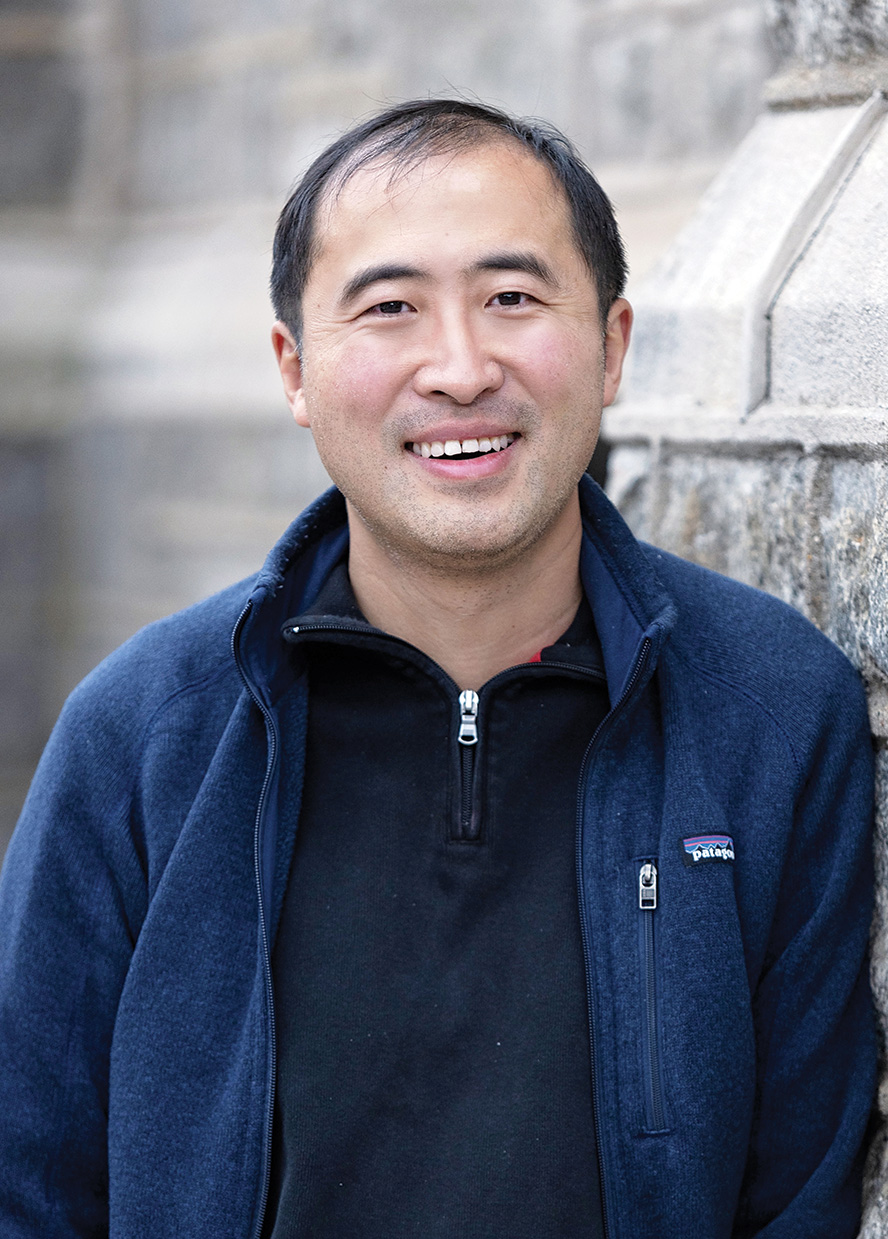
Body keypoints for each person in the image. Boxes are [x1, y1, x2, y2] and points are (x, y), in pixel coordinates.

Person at [0, 99, 876, 1239]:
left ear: (613, 347)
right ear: (296, 368)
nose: (460, 369)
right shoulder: (144, 732)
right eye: (391, 308)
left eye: (513, 299)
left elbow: (799, 1198)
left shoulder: (769, 710)